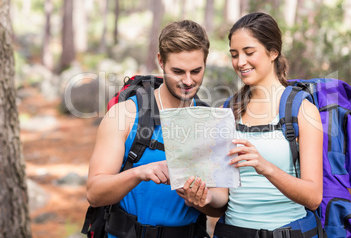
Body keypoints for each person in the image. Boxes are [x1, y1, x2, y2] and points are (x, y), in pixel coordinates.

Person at [185, 12, 324, 237]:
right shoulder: (227, 111)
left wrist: (265, 167)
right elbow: (222, 197)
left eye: (249, 52)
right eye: (234, 54)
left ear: (273, 52)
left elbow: (314, 197)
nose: (240, 62)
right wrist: (203, 198)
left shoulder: (302, 110)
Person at [86, 20, 226, 238]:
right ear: (161, 61)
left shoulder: (210, 122)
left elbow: (218, 207)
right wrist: (139, 173)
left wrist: (202, 200)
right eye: (178, 71)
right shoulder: (125, 114)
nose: (188, 81)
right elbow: (95, 193)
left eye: (196, 71)